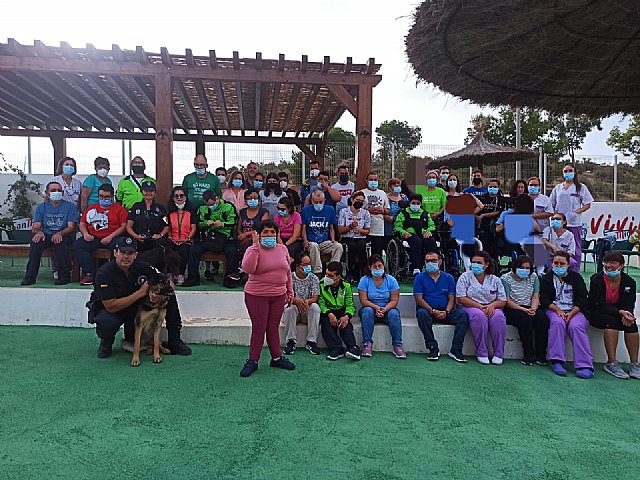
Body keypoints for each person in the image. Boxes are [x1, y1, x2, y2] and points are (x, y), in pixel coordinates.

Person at [91, 237, 191, 358]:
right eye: (122, 252)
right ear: (115, 252)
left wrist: (160, 296)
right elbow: (111, 306)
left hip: (136, 309)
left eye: (130, 253)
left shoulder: (142, 267)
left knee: (169, 296)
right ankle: (106, 342)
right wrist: (140, 293)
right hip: (113, 310)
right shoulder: (104, 273)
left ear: (135, 255)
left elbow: (168, 282)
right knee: (105, 322)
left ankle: (174, 339)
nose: (126, 256)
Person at [240, 220, 296, 377]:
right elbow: (248, 268)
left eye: (272, 232)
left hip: (278, 295)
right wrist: (256, 246)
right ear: (258, 234)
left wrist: (289, 291)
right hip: (256, 295)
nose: (269, 235)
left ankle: (276, 358)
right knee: (259, 328)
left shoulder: (283, 249)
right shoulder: (252, 249)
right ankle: (253, 361)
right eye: (265, 232)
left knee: (273, 327)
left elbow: (287, 272)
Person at [540, 251, 594, 378]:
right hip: (554, 310)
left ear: (568, 265)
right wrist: (558, 311)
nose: (558, 266)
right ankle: (557, 361)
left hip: (575, 311)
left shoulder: (576, 278)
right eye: (556, 263)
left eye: (562, 263)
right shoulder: (546, 279)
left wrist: (571, 313)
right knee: (557, 323)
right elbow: (544, 299)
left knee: (576, 327)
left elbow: (582, 298)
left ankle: (585, 365)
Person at [588, 252, 639, 379]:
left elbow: (629, 304)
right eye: (606, 262)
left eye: (612, 262)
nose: (608, 265)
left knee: (631, 324)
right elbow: (599, 305)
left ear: (621, 265)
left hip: (618, 313)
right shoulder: (596, 279)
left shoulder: (629, 282)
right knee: (612, 322)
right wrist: (620, 312)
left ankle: (635, 364)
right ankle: (611, 362)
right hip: (597, 313)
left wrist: (628, 314)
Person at [414, 251, 469, 362]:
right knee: (421, 314)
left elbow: (451, 298)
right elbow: (419, 299)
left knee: (463, 315)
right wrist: (432, 310)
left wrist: (447, 311)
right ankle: (432, 347)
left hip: (446, 310)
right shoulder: (419, 278)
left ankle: (456, 349)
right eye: (427, 261)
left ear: (439, 262)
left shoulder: (448, 278)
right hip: (428, 310)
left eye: (433, 260)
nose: (430, 263)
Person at [21, 181, 79, 286]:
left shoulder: (70, 207)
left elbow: (71, 227)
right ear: (47, 193)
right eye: (53, 190)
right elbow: (36, 227)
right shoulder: (41, 207)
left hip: (64, 234)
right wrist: (39, 233)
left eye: (59, 190)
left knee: (60, 243)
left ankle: (64, 276)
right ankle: (30, 277)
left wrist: (60, 234)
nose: (56, 192)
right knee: (35, 242)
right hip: (46, 235)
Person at [456, 251, 507, 365]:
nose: (475, 265)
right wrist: (480, 306)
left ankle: (498, 353)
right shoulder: (465, 277)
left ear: (486, 264)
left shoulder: (495, 280)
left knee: (498, 318)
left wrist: (491, 306)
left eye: (479, 262)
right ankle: (482, 351)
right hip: (470, 306)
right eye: (473, 262)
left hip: (492, 307)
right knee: (479, 317)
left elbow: (502, 300)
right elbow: (461, 298)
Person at [183, 190, 240, 287]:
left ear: (217, 198)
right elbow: (198, 223)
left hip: (225, 237)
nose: (211, 207)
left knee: (232, 251)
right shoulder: (201, 208)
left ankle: (230, 278)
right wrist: (206, 223)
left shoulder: (228, 207)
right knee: (193, 250)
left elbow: (233, 222)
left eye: (213, 204)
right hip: (208, 238)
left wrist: (222, 224)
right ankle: (193, 277)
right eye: (208, 205)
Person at [500, 255, 550, 365]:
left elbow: (535, 295)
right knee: (525, 320)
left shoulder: (533, 277)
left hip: (530, 306)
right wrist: (523, 310)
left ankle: (541, 355)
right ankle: (528, 354)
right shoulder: (505, 278)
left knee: (542, 319)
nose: (525, 270)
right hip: (512, 308)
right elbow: (507, 300)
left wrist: (533, 308)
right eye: (522, 267)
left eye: (528, 268)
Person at [75, 184, 128, 285]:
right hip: (93, 237)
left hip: (112, 237)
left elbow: (123, 226)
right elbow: (82, 223)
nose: (104, 199)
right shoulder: (92, 208)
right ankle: (89, 274)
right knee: (78, 245)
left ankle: (113, 275)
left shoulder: (119, 209)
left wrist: (110, 237)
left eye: (107, 197)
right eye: (101, 196)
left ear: (112, 197)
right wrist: (85, 234)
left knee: (118, 247)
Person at [125, 181, 181, 274]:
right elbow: (129, 226)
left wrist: (160, 235)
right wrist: (136, 236)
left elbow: (167, 226)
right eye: (146, 190)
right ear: (142, 192)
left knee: (164, 248)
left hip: (154, 239)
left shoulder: (160, 208)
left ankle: (162, 273)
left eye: (151, 191)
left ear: (155, 193)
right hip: (138, 238)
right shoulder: (136, 207)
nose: (148, 193)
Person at [358, 254, 406, 359]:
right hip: (370, 308)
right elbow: (363, 300)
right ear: (370, 268)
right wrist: (376, 307)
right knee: (367, 311)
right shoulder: (364, 280)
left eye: (380, 266)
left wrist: (384, 309)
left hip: (387, 308)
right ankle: (367, 344)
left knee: (394, 313)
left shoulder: (391, 280)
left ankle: (397, 345)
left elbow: (394, 300)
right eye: (374, 266)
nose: (378, 268)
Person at [182, 154, 222, 278]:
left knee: (209, 240)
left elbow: (218, 196)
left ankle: (209, 269)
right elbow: (182, 195)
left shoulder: (213, 179)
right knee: (194, 242)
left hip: (209, 214)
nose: (199, 167)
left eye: (202, 165)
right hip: (192, 214)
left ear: (206, 165)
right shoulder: (188, 178)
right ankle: (191, 270)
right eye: (197, 165)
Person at [549, 162, 593, 266]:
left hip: (574, 223)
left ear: (575, 172)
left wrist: (575, 213)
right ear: (562, 173)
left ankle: (575, 270)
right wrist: (554, 217)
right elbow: (552, 204)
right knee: (557, 247)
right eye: (565, 171)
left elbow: (587, 204)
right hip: (559, 224)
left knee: (575, 248)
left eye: (570, 171)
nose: (567, 173)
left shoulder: (581, 187)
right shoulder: (558, 188)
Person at [319, 261, 361, 361]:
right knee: (326, 324)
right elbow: (321, 303)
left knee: (346, 325)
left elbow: (350, 305)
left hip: (342, 311)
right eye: (326, 274)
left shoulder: (346, 286)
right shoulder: (321, 284)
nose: (327, 277)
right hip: (328, 311)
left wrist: (347, 316)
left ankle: (352, 347)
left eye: (330, 275)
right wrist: (329, 313)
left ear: (338, 277)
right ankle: (336, 348)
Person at [282, 253, 321, 356]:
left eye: (309, 264)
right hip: (294, 310)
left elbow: (315, 297)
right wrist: (296, 300)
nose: (308, 267)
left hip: (306, 310)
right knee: (290, 309)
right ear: (298, 266)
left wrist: (306, 302)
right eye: (305, 264)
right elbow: (286, 296)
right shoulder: (289, 277)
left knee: (315, 308)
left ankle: (311, 341)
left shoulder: (314, 278)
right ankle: (290, 341)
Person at [394, 193, 438, 276]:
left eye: (418, 203)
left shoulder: (425, 214)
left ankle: (432, 265)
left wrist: (429, 231)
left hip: (423, 234)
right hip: (409, 235)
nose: (415, 205)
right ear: (409, 203)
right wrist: (403, 232)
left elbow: (432, 225)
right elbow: (397, 227)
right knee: (416, 241)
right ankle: (416, 268)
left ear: (421, 204)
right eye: (413, 203)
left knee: (431, 241)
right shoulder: (403, 214)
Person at [301, 190, 343, 274]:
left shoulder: (330, 209)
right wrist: (305, 241)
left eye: (320, 202)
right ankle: (317, 272)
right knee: (314, 246)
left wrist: (333, 239)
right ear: (312, 201)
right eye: (315, 202)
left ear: (324, 201)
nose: (318, 204)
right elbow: (304, 228)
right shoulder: (306, 210)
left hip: (324, 242)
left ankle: (333, 270)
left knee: (338, 246)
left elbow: (331, 228)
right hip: (311, 242)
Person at [165, 186, 197, 286]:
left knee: (184, 251)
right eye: (176, 196)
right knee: (169, 250)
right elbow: (168, 227)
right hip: (173, 240)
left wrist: (187, 238)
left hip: (186, 240)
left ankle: (181, 275)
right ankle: (170, 274)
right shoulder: (170, 213)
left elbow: (193, 228)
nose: (179, 198)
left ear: (186, 197)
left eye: (181, 195)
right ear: (173, 198)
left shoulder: (191, 213)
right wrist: (170, 237)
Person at [337, 190, 371, 282]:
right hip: (347, 237)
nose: (359, 203)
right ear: (352, 200)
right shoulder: (343, 212)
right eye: (357, 200)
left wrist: (360, 230)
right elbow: (340, 230)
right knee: (351, 246)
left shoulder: (365, 213)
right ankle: (349, 272)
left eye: (361, 201)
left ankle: (364, 272)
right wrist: (350, 226)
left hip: (360, 237)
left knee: (361, 245)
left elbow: (367, 231)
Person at [477, 178, 507, 262]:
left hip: (495, 224)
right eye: (490, 186)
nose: (492, 188)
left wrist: (485, 215)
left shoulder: (500, 199)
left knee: (494, 244)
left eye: (495, 187)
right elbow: (478, 209)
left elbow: (499, 212)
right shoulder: (483, 198)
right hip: (483, 225)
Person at [361, 172, 390, 257]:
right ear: (367, 181)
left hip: (379, 229)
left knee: (377, 253)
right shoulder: (362, 192)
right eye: (371, 180)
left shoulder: (382, 193)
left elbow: (388, 210)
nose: (373, 181)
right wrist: (369, 210)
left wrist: (382, 210)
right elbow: (357, 209)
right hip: (365, 228)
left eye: (375, 180)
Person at [237, 188, 270, 252]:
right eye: (250, 198)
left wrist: (247, 234)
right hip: (243, 239)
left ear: (259, 200)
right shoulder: (242, 212)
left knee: (249, 244)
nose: (252, 200)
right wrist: (242, 235)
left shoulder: (264, 212)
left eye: (255, 198)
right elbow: (239, 228)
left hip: (258, 238)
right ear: (245, 201)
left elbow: (263, 229)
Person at [384, 178, 408, 248]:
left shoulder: (404, 197)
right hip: (389, 225)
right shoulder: (385, 197)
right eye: (395, 185)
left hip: (402, 225)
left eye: (398, 185)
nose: (397, 187)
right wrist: (386, 217)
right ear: (390, 187)